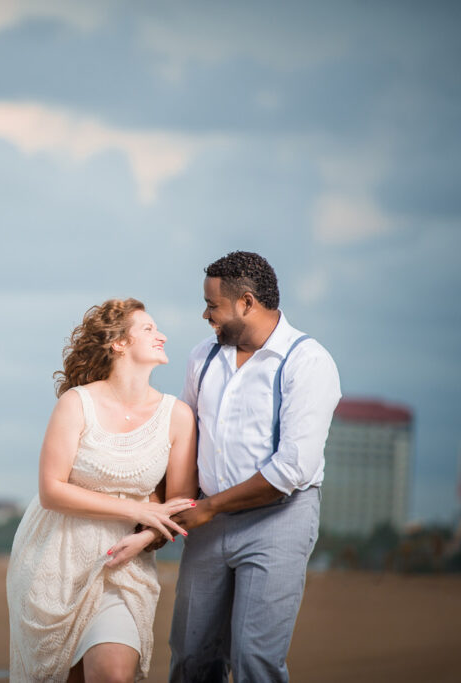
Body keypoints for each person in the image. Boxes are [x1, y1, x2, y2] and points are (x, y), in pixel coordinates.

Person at [167, 251, 341, 682]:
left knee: (253, 660)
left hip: (279, 519)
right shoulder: (201, 357)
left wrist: (209, 508)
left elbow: (292, 469)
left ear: (246, 302)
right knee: (190, 658)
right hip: (207, 522)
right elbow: (184, 441)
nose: (205, 315)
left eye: (213, 305)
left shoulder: (308, 362)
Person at [6, 298, 198, 682]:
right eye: (148, 328)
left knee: (112, 673)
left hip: (122, 564)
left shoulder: (177, 416)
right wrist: (138, 512)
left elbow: (177, 504)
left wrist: (143, 538)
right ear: (118, 343)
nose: (161, 335)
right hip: (53, 560)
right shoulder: (77, 404)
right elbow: (51, 491)